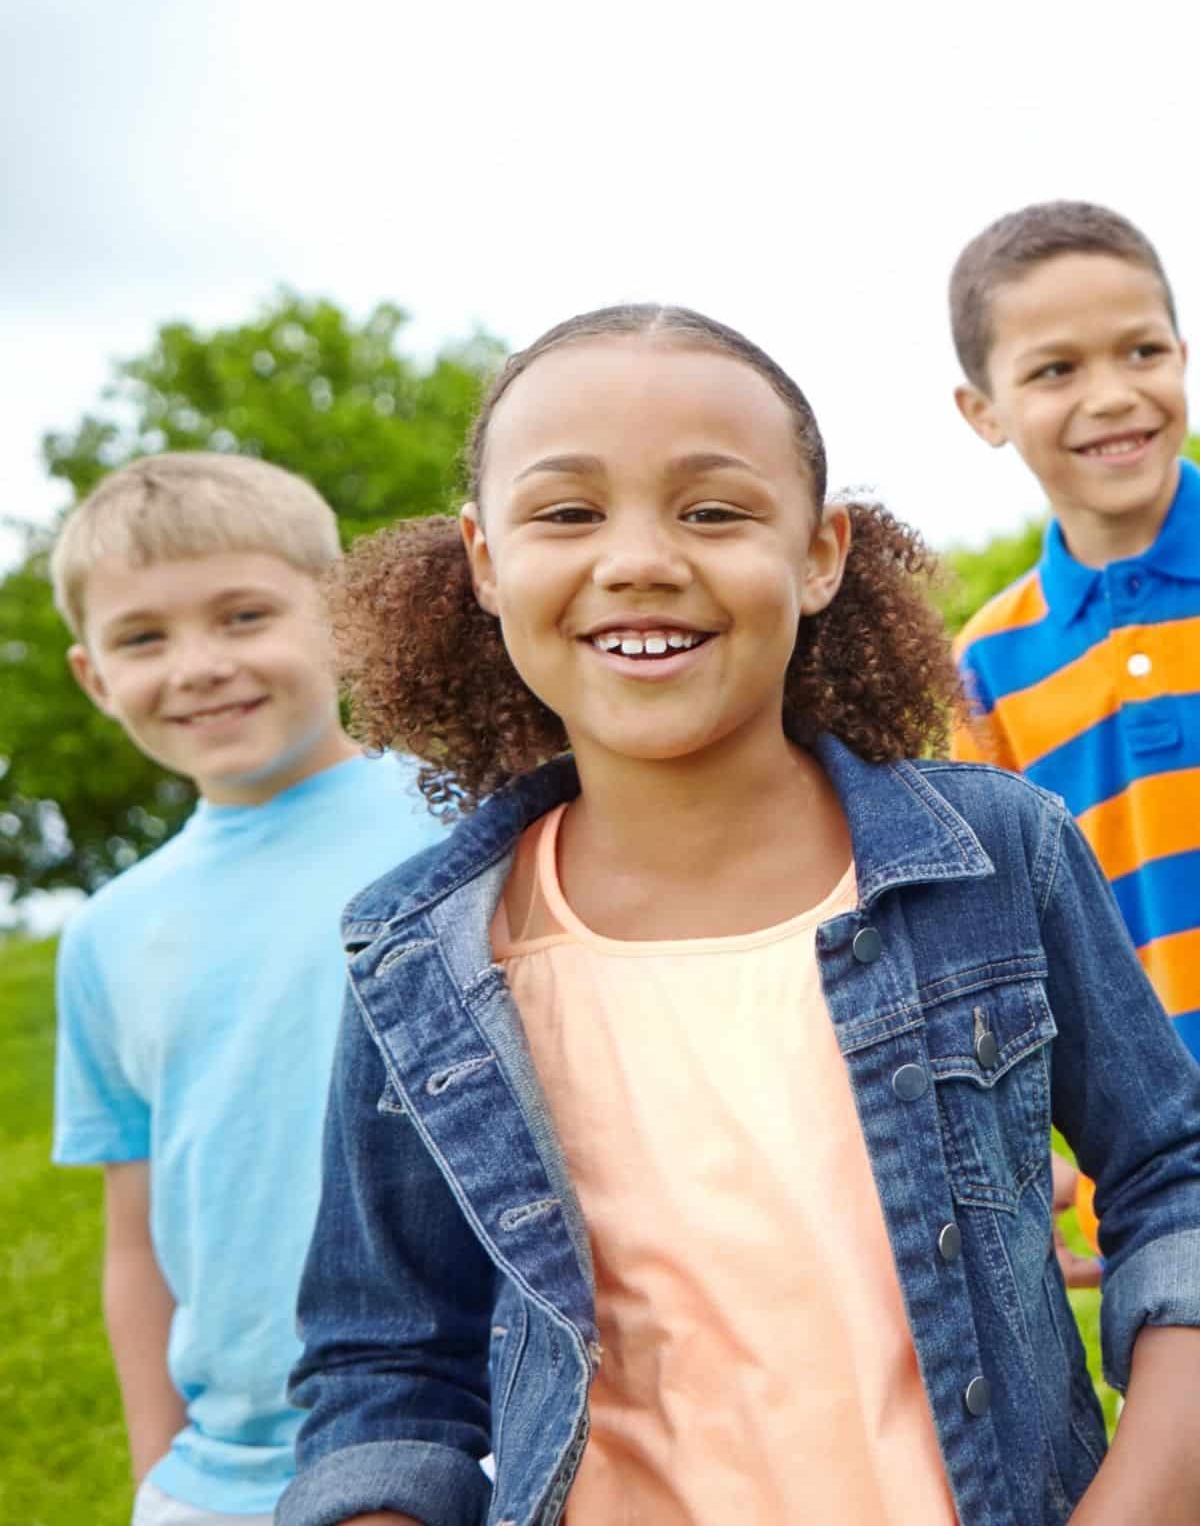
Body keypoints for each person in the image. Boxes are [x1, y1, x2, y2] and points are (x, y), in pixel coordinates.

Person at [278, 305, 1200, 1526]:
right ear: (485, 561)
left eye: (713, 510)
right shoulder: (419, 960)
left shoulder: (998, 852)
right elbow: (387, 1367)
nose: (642, 559)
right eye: (567, 513)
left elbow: (1172, 1176)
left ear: (819, 553)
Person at [50, 453, 445, 1526]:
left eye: (243, 616)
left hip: (457, 1436)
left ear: (338, 619)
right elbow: (134, 1233)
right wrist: (156, 1465)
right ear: (95, 676)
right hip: (218, 1481)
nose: (199, 666)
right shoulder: (105, 934)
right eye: (144, 638)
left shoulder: (458, 821)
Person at [948, 201, 1199, 1271]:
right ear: (984, 409)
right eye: (1055, 370)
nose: (1113, 395)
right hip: (1162, 1193)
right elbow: (999, 943)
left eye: (1142, 350)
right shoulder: (988, 663)